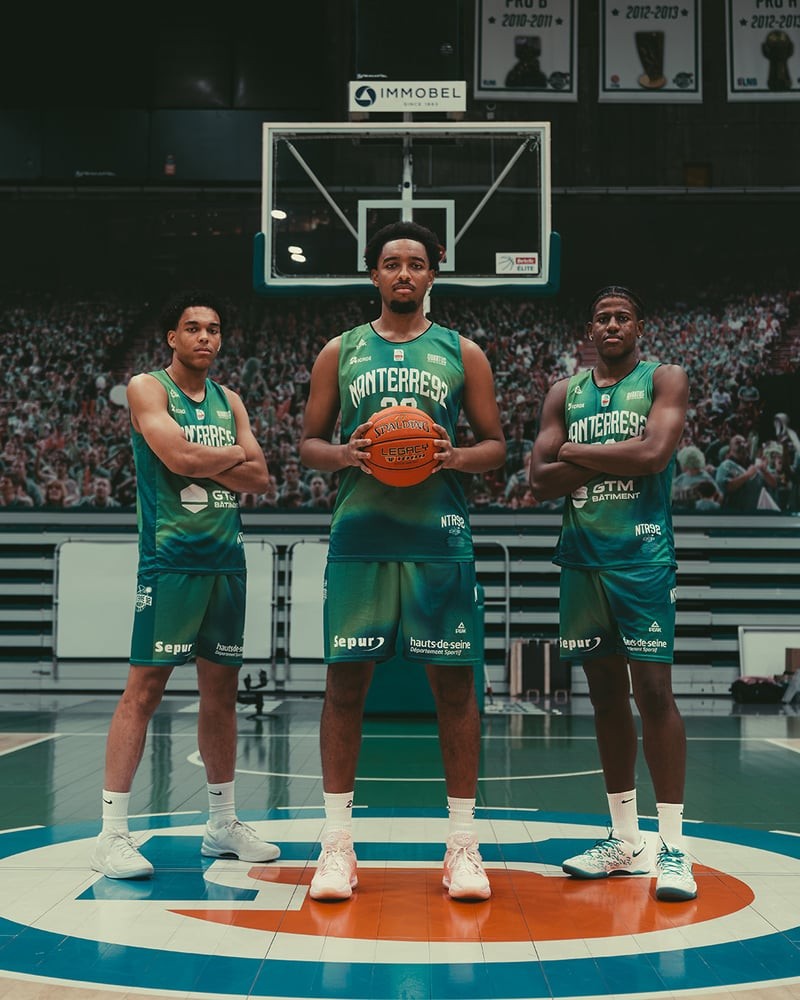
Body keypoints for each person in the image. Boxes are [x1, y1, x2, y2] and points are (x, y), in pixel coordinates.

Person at [298, 220, 506, 903]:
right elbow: (309, 444)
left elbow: (496, 447)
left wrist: (454, 455)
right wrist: (347, 453)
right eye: (392, 263)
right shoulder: (340, 350)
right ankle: (336, 844)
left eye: (416, 263)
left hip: (438, 537)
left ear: (432, 274)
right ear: (374, 274)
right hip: (361, 534)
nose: (404, 273)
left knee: (455, 688)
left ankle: (463, 844)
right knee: (344, 686)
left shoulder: (462, 352)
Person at [90, 289, 280, 879]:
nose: (205, 337)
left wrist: (206, 457)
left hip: (227, 562)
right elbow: (177, 459)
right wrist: (227, 457)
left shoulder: (230, 399)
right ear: (172, 337)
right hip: (169, 560)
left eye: (213, 329)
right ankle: (111, 835)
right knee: (143, 691)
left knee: (221, 693)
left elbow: (262, 478)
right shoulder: (147, 388)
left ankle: (222, 824)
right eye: (193, 327)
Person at [529, 285, 697, 902]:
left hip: (642, 557)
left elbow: (654, 454)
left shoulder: (665, 378)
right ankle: (625, 839)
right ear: (589, 330)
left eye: (622, 317)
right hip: (582, 559)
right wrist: (610, 456)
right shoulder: (563, 392)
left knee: (653, 693)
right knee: (604, 697)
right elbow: (538, 479)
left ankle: (673, 846)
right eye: (602, 318)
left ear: (639, 327)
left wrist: (574, 450)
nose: (611, 325)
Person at [715, 432, 777, 513]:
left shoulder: (755, 465)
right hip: (733, 513)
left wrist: (764, 471)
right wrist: (747, 475)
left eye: (744, 442)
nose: (742, 444)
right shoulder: (726, 465)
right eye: (737, 442)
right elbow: (725, 486)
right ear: (730, 448)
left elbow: (774, 484)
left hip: (754, 513)